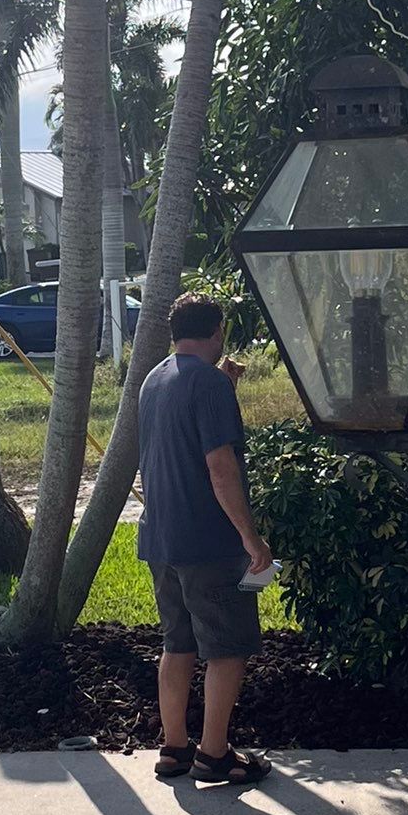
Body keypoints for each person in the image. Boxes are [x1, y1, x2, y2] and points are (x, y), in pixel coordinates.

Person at [136, 291, 277, 785]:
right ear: (216, 331)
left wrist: (224, 387)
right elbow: (220, 470)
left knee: (177, 644)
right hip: (209, 542)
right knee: (226, 648)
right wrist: (252, 539)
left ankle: (174, 748)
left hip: (161, 538)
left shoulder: (155, 379)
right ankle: (215, 754)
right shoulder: (210, 385)